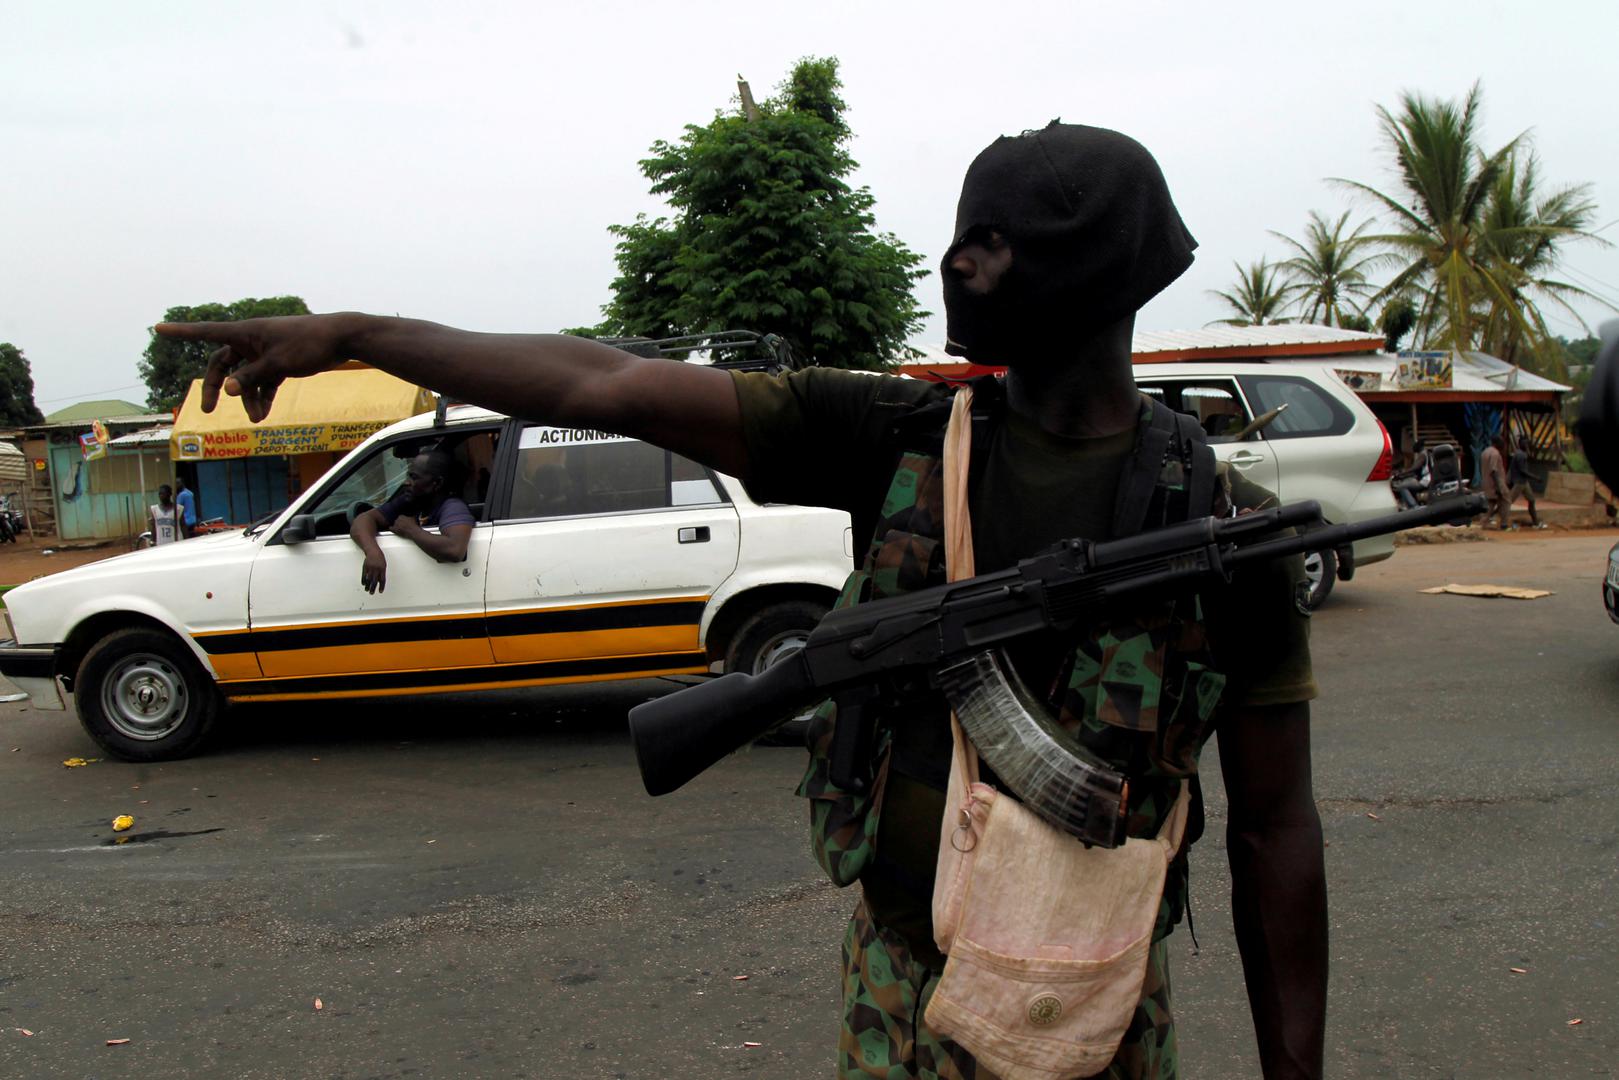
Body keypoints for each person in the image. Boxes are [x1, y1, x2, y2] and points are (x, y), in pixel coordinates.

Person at [155, 120, 1326, 1079]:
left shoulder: (1219, 531)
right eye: (961, 235)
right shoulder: (896, 436)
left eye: (994, 242)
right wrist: (353, 333)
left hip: (1092, 998)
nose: (957, 263)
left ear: (1097, 270)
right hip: (900, 982)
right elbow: (600, 380)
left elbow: (1277, 829)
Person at [348, 448, 476, 594]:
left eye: (414, 477)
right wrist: (372, 552)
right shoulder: (412, 501)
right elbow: (364, 520)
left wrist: (411, 530)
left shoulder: (453, 507)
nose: (407, 483)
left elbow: (455, 549)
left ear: (437, 483)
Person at [1507, 434, 1545, 529]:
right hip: (1519, 482)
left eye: (1527, 444)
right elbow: (1522, 471)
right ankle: (1496, 518)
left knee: (1531, 500)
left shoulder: (1521, 454)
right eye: (1525, 444)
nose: (1527, 446)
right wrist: (1536, 478)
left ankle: (1535, 522)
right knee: (1507, 502)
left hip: (1524, 482)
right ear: (1521, 445)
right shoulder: (1520, 455)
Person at [1481, 435, 1512, 530]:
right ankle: (1504, 524)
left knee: (1491, 502)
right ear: (1497, 443)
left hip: (1486, 482)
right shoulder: (1495, 453)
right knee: (1506, 501)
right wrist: (1498, 486)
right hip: (1496, 482)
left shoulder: (1485, 452)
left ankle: (1484, 521)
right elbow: (1493, 470)